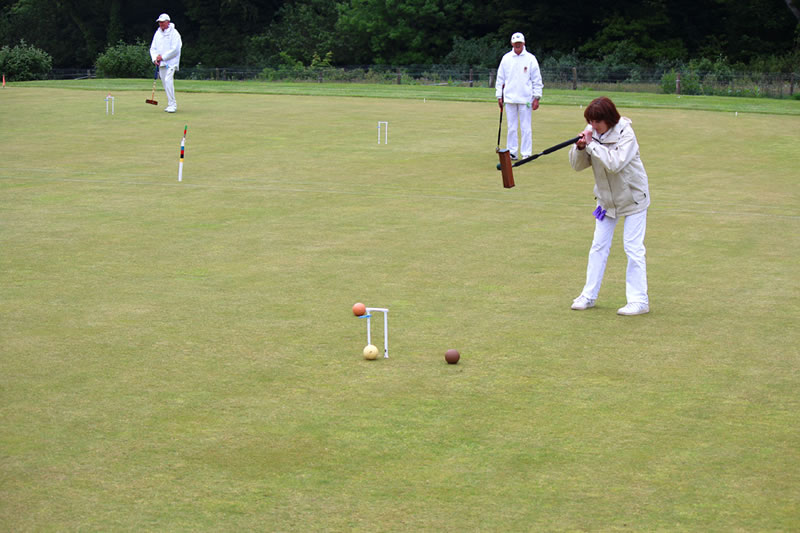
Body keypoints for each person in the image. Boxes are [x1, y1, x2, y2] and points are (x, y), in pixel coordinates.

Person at [568, 96, 651, 316]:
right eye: (590, 122)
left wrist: (592, 145)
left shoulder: (626, 134)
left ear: (609, 119)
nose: (593, 126)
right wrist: (579, 148)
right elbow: (577, 166)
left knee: (633, 248)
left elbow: (615, 164)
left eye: (597, 122)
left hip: (633, 199)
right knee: (598, 246)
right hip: (606, 201)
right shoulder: (592, 132)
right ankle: (588, 295)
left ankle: (639, 300)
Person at [495, 32, 543, 160]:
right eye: (515, 43)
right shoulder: (506, 58)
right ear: (512, 43)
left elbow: (536, 80)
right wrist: (499, 96)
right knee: (511, 127)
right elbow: (500, 79)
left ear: (523, 43)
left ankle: (526, 153)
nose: (517, 45)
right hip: (509, 99)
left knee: (526, 127)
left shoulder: (531, 59)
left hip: (526, 99)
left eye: (519, 43)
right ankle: (512, 152)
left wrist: (537, 97)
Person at [150, 13, 182, 113]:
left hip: (171, 62)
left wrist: (162, 57)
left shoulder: (174, 33)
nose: (161, 24)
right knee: (165, 83)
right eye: (159, 22)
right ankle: (170, 104)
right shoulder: (157, 33)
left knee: (168, 80)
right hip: (162, 63)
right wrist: (155, 58)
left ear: (168, 22)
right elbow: (153, 48)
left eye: (162, 22)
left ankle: (173, 105)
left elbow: (175, 49)